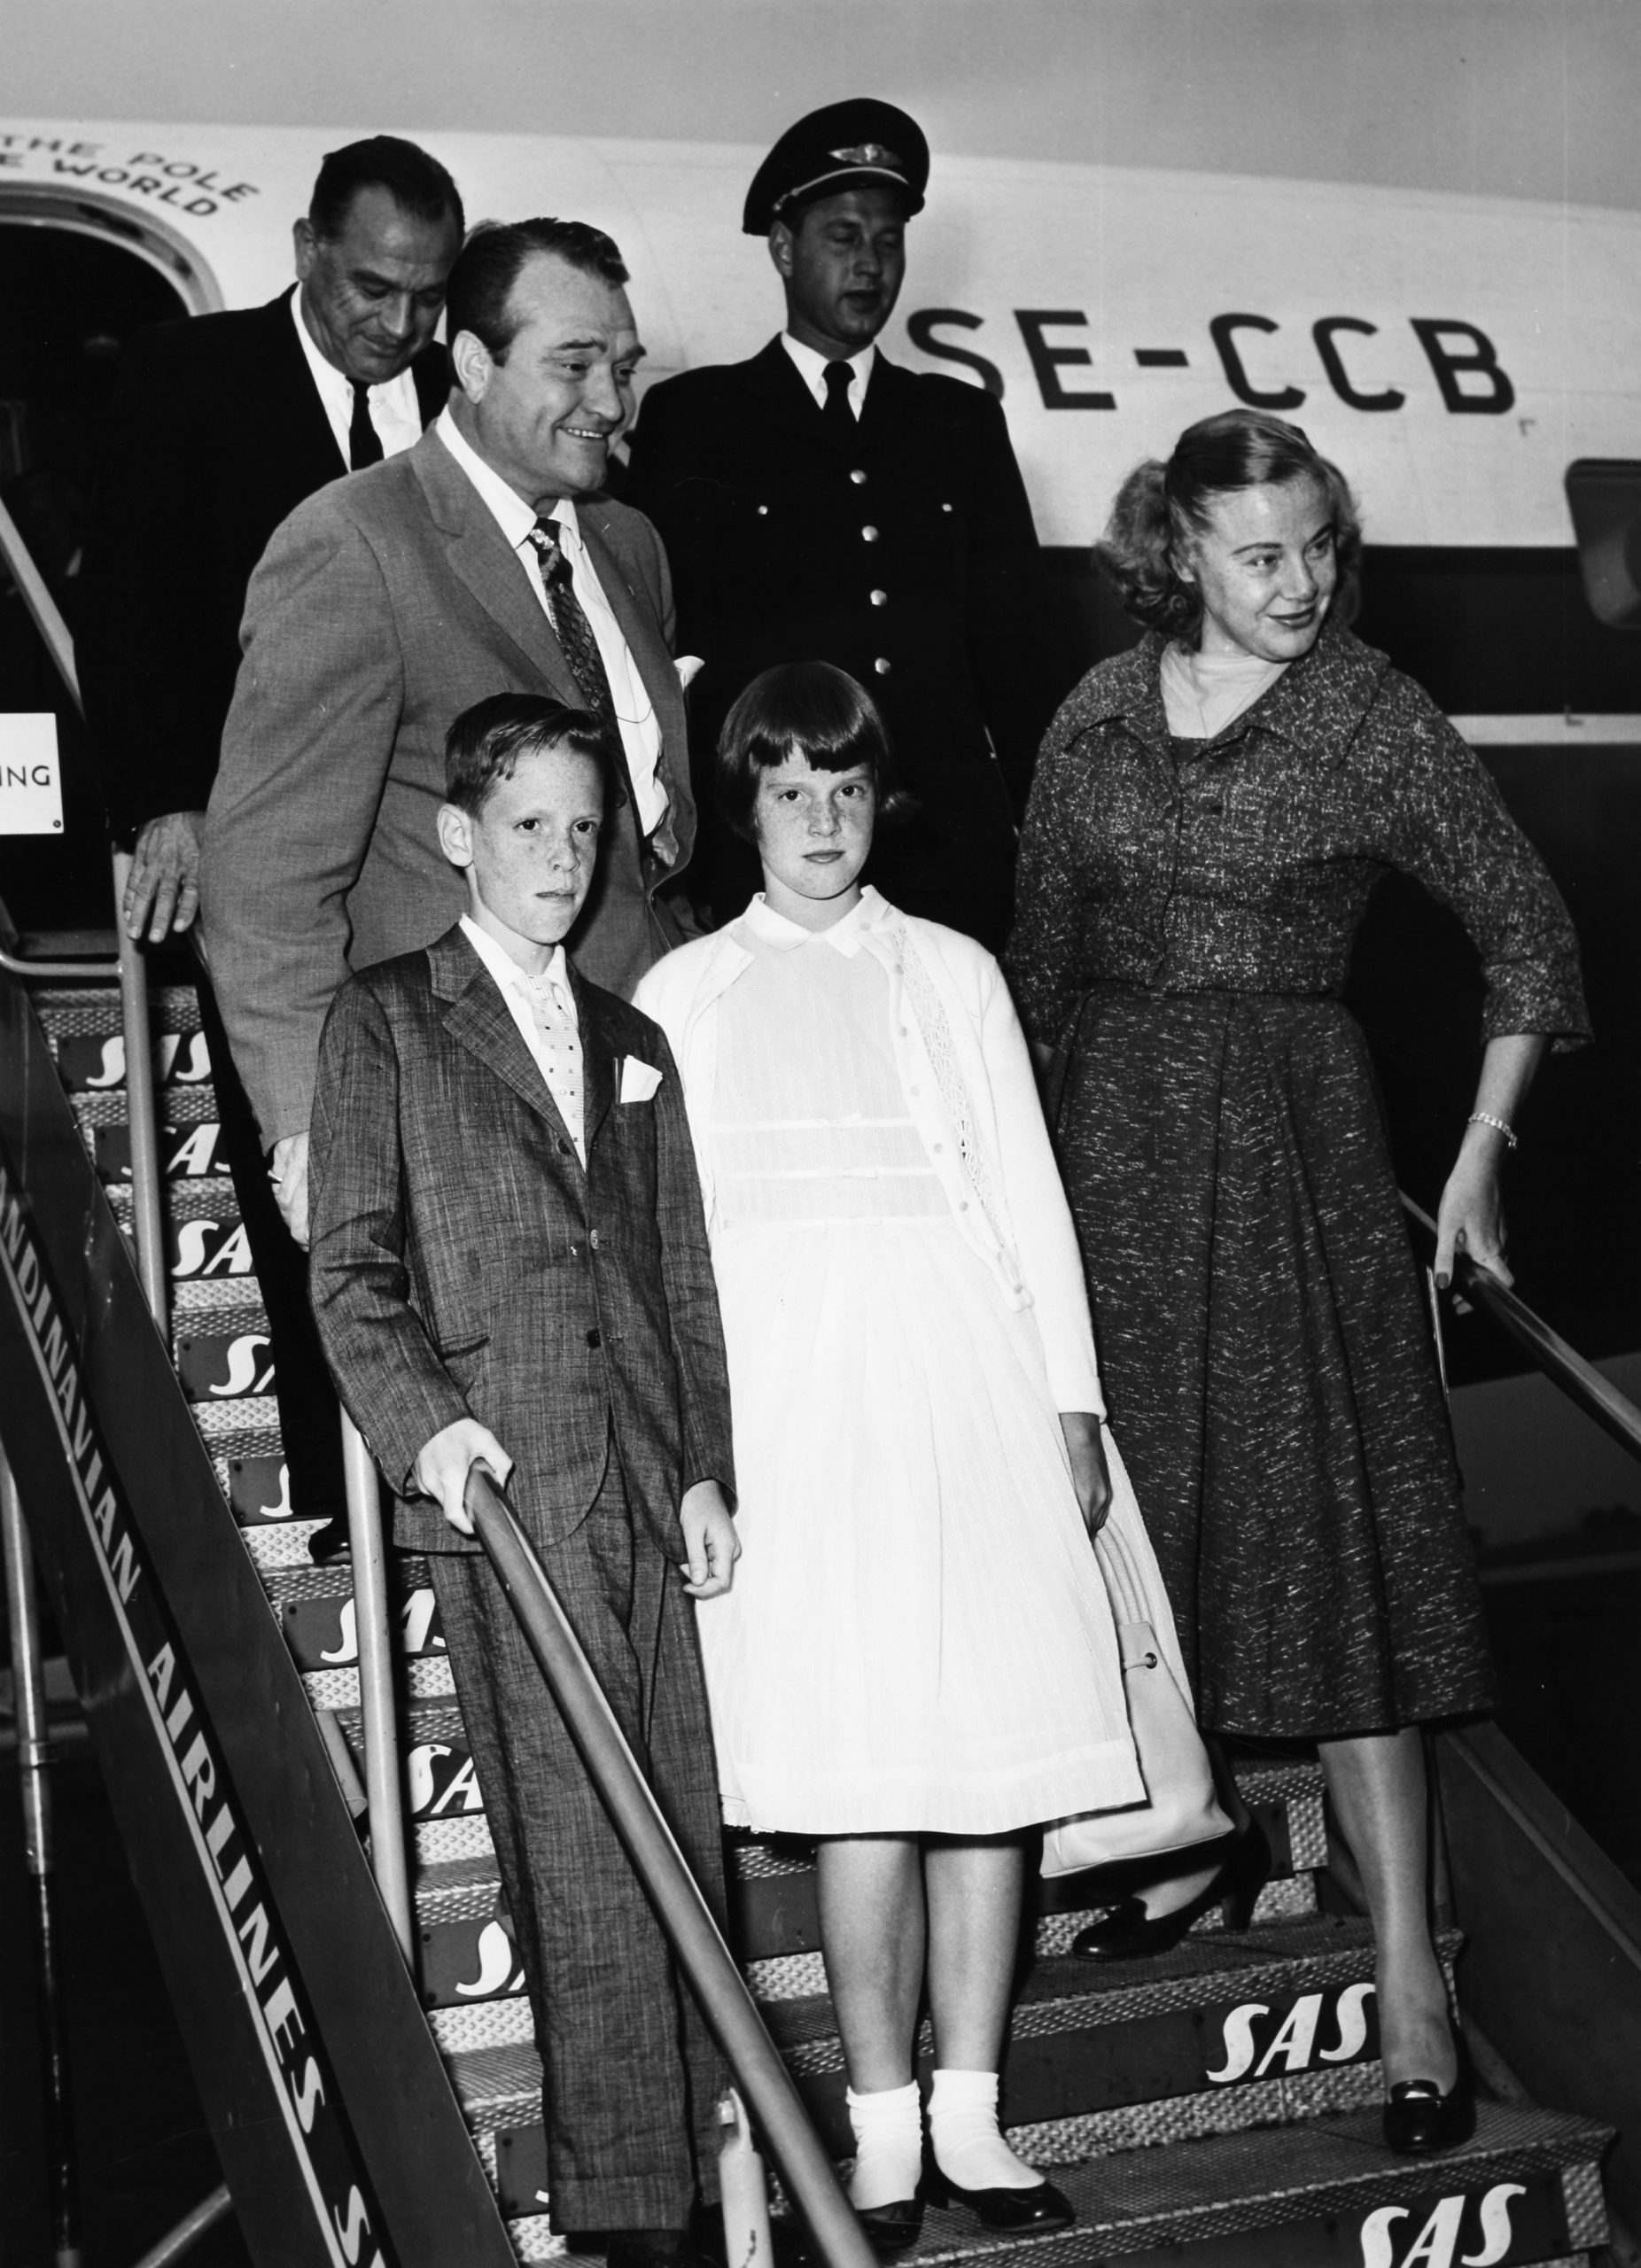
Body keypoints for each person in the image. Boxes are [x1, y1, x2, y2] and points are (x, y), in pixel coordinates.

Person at [1005, 408, 1590, 2155]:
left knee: (1336, 1567)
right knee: (1119, 1544)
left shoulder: (1363, 710)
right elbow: (1033, 969)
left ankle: (1409, 1978)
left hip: (1290, 1167)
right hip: (1102, 1153)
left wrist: (1477, 1149)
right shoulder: (1092, 714)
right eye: (1258, 552)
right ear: (1172, 548)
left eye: (1316, 546)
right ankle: (1165, 1855)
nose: (1298, 583)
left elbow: (1524, 929)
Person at [636, 662, 1187, 2254]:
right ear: (740, 807)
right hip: (799, 1424)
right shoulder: (686, 1000)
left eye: (849, 790)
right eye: (788, 791)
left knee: (985, 1771)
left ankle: (970, 2111)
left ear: (884, 803)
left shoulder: (951, 972)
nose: (820, 821)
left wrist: (1067, 1407)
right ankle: (880, 2130)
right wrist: (705, 1449)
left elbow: (1027, 1195)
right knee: (858, 1776)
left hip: (968, 1399)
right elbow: (680, 1254)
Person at [306, 693, 737, 2263]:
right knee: (577, 1852)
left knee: (679, 1831)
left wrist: (703, 1471)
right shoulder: (390, 1017)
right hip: (503, 1495)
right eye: (531, 828)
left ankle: (704, 2174)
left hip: (636, 1482)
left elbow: (677, 1281)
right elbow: (350, 1273)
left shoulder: (635, 1040)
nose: (564, 858)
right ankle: (632, 2217)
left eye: (583, 827)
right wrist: (427, 1426)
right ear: (458, 838)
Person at [76, 134, 463, 1538]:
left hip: (422, 871)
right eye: (372, 288)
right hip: (271, 862)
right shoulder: (191, 381)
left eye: (426, 297)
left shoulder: (457, 400)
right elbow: (128, 611)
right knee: (308, 1179)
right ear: (307, 248)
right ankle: (325, 1495)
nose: (399, 326)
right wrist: (168, 802)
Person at [202, 217, 700, 1268]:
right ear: (472, 363)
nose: (609, 403)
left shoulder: (629, 543)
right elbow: (265, 884)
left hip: (646, 1095)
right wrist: (311, 1132)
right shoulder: (352, 545)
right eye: (573, 365)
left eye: (621, 366)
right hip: (460, 1125)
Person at [624, 100, 1060, 950]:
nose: (870, 264)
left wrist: (1044, 848)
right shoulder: (697, 419)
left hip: (946, 854)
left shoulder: (960, 422)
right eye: (843, 236)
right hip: (772, 848)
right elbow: (666, 656)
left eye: (888, 239)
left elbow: (1019, 659)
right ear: (784, 248)